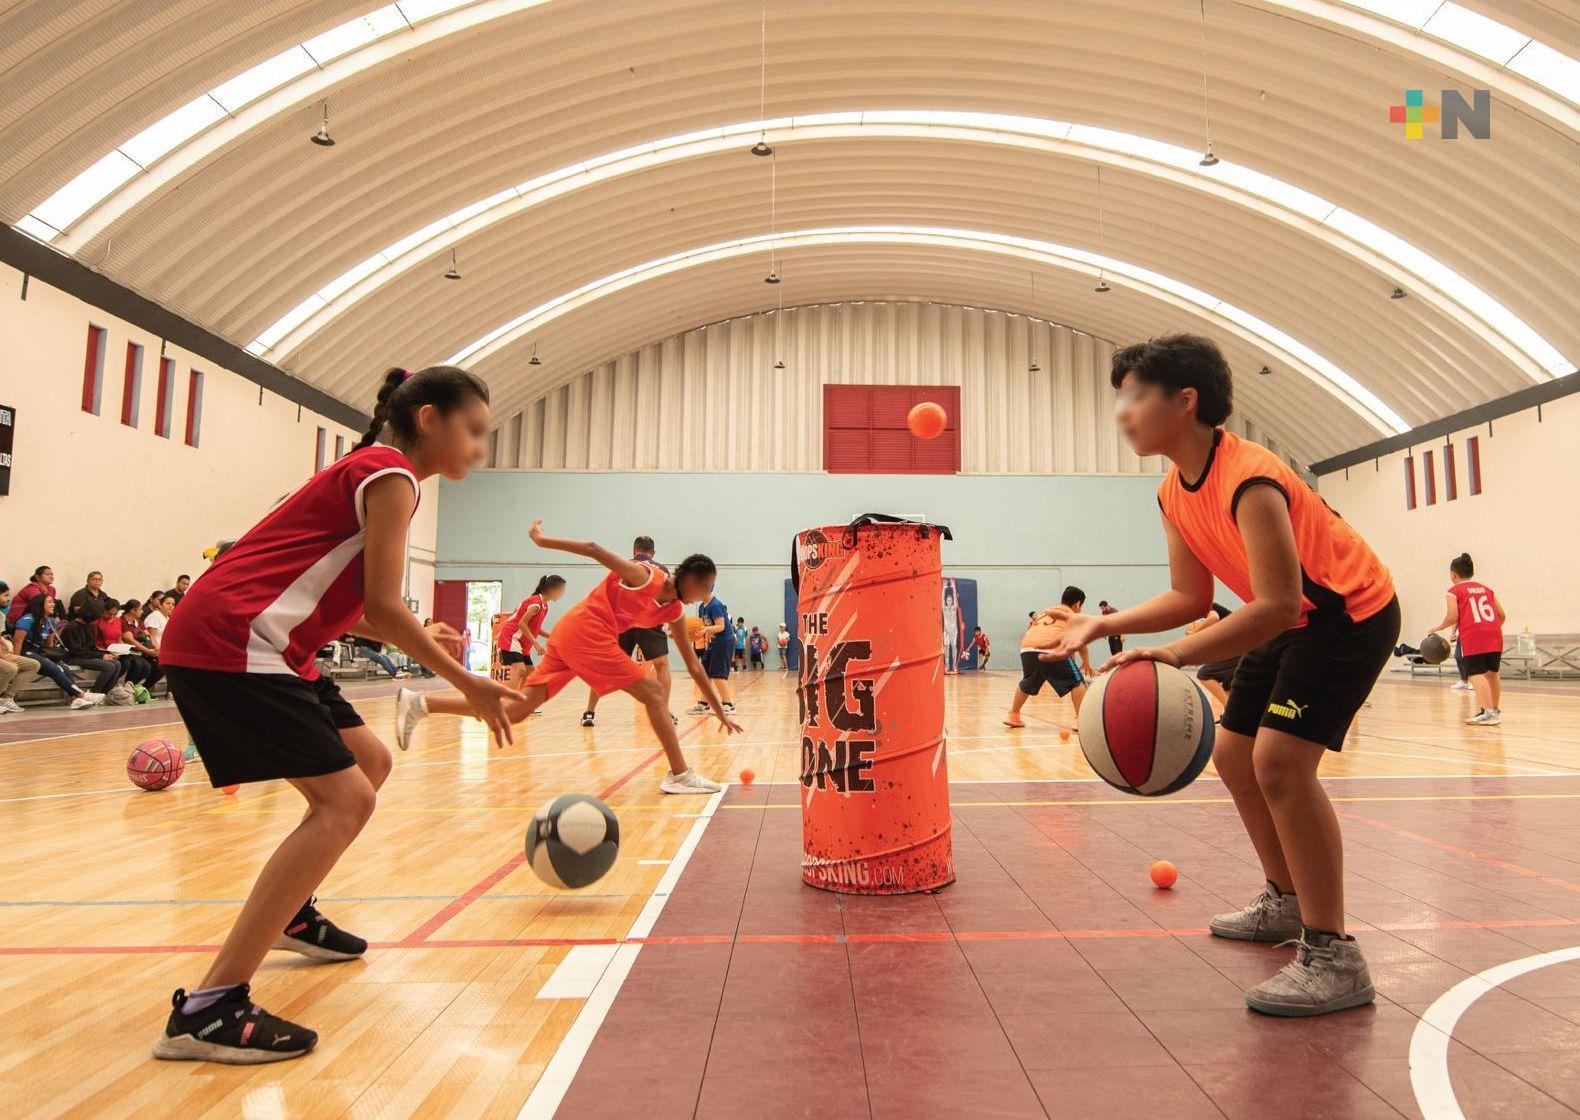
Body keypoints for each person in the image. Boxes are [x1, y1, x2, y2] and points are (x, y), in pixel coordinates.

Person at [150, 365, 519, 1065]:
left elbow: (349, 603)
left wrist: (411, 635)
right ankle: (209, 1009)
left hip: (272, 643)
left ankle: (292, 911)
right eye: (473, 431)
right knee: (344, 802)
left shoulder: (373, 474)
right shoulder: (390, 475)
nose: (479, 448)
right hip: (233, 637)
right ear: (430, 420)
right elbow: (382, 603)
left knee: (371, 763)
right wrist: (467, 680)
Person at [1045, 334, 1399, 1017]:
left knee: (1281, 765)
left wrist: (1177, 654)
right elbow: (1190, 597)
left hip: (1347, 614)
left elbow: (1277, 602)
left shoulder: (1251, 477)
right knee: (1234, 755)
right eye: (1119, 397)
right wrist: (1103, 625)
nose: (1122, 412)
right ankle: (1287, 903)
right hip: (1290, 620)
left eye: (1135, 395)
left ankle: (1334, 956)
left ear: (1186, 402)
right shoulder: (1172, 492)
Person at [398, 519, 737, 793]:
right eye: (706, 587)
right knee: (651, 692)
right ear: (690, 579)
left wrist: (719, 711)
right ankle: (679, 774)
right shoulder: (645, 576)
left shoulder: (675, 611)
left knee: (517, 710)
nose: (706, 595)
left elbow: (693, 666)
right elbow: (593, 549)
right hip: (587, 632)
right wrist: (543, 541)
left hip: (571, 635)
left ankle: (422, 704)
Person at [581, 536, 673, 729]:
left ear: (634, 550)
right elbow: (668, 599)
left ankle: (589, 712)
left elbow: (607, 596)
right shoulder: (662, 570)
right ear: (653, 553)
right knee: (662, 666)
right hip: (649, 623)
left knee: (605, 668)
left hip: (621, 623)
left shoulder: (621, 566)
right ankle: (663, 711)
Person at [1428, 553, 1505, 726]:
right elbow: (1501, 615)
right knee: (1492, 673)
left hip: (1474, 634)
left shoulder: (1454, 591)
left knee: (1476, 673)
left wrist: (1439, 627)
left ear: (1453, 574)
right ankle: (1495, 710)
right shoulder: (1486, 589)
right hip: (1494, 632)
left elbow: (1452, 615)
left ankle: (1487, 712)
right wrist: (1492, 628)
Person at [1004, 586, 1091, 729]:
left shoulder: (1046, 611)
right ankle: (1080, 720)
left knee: (1029, 680)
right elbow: (1081, 644)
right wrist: (1086, 663)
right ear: (1077, 604)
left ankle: (1013, 715)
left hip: (1027, 648)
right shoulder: (1074, 616)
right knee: (1077, 682)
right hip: (1050, 650)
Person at [12, 595, 103, 708]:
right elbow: (17, 643)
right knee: (54, 668)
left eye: (53, 602)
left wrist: (51, 657)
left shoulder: (50, 621)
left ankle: (75, 700)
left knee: (64, 668)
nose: (53, 604)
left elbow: (48, 645)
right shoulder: (27, 620)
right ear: (40, 604)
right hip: (25, 652)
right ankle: (80, 694)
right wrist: (15, 662)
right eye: (49, 602)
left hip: (39, 652)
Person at [498, 575, 566, 691]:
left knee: (530, 674)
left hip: (520, 642)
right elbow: (521, 624)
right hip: (511, 637)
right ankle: (505, 702)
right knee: (521, 671)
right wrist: (536, 644)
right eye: (561, 590)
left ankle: (521, 703)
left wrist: (551, 636)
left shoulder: (544, 605)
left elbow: (535, 628)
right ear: (551, 590)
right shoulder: (536, 603)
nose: (562, 593)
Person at [689, 588, 735, 714]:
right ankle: (704, 704)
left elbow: (721, 626)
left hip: (724, 641)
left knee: (717, 674)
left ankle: (728, 704)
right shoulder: (701, 607)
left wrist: (706, 630)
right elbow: (701, 625)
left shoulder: (715, 605)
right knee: (705, 673)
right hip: (712, 642)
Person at [0, 582, 41, 713]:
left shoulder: (1, 616)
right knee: (10, 668)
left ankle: (6, 698)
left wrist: (5, 650)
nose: (8, 599)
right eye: (5, 595)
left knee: (33, 664)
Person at [1189, 602, 1240, 708]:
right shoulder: (1216, 629)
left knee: (1204, 674)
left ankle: (1229, 710)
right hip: (1240, 650)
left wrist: (1194, 634)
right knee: (1227, 687)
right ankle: (1228, 718)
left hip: (1242, 648)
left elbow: (1214, 618)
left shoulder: (1211, 608)